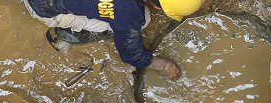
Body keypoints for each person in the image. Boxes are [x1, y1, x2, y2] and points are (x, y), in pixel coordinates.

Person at [23, 0, 204, 80]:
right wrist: (164, 66)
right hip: (41, 6)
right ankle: (70, 33)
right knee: (144, 20)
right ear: (157, 6)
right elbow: (131, 55)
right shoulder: (128, 11)